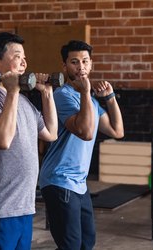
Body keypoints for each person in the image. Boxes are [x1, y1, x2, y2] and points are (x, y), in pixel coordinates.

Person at [0, 32, 58, 250]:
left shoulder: (25, 103)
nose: (24, 62)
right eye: (17, 55)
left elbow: (51, 134)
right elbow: (2, 140)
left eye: (25, 57)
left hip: (24, 208)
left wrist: (47, 94)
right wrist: (12, 92)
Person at [39, 40, 124, 249]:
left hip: (79, 182)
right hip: (59, 179)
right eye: (74, 62)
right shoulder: (62, 96)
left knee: (87, 242)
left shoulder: (92, 102)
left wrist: (110, 97)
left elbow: (117, 131)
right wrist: (86, 92)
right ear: (65, 67)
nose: (81, 67)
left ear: (91, 64)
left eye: (85, 61)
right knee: (71, 245)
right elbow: (85, 132)